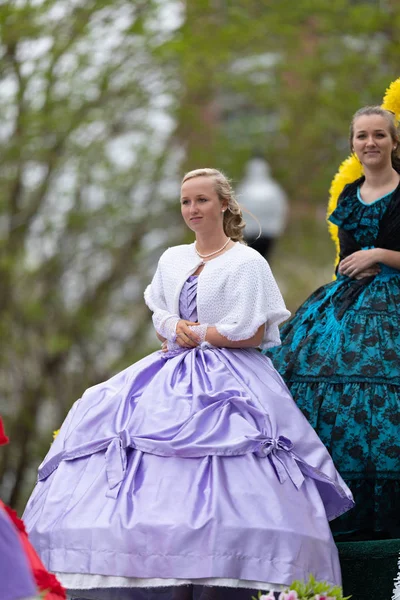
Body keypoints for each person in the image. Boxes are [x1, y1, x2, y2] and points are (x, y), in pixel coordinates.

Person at [23, 168, 353, 600]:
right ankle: (142, 562)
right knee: (106, 411)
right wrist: (176, 326)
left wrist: (197, 333)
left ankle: (237, 565)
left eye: (201, 200)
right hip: (170, 369)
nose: (192, 209)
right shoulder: (172, 259)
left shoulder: (247, 261)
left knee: (235, 458)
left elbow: (253, 333)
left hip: (233, 374)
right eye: (185, 201)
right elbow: (161, 316)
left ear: (224, 205)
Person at [267, 106, 400, 541]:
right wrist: (351, 266)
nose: (370, 143)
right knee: (306, 371)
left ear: (394, 143)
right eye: (362, 136)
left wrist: (379, 256)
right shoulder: (348, 197)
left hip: (393, 302)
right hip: (346, 301)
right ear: (353, 145)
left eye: (379, 135)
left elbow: (375, 253)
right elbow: (344, 259)